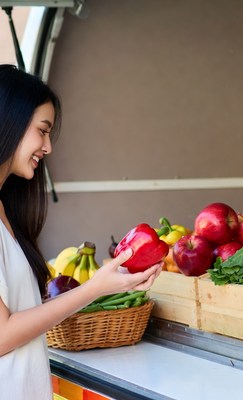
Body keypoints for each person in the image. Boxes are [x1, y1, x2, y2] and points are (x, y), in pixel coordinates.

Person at [0, 64, 162, 400]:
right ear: (8, 123)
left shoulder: (6, 209)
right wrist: (95, 288)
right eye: (42, 131)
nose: (48, 148)